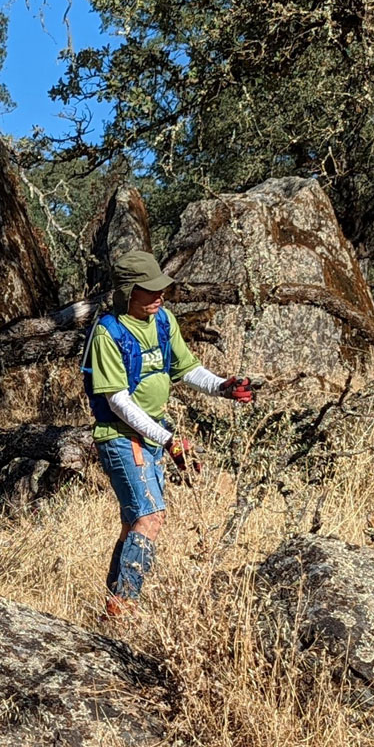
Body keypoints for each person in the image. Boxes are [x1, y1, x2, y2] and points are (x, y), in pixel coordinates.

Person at [82, 251, 253, 617]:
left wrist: (223, 387)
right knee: (150, 517)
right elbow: (118, 403)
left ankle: (112, 608)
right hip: (120, 435)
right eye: (149, 290)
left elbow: (188, 369)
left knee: (135, 522)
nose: (159, 296)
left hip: (153, 435)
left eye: (161, 288)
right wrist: (168, 439)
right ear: (128, 292)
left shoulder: (163, 320)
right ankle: (124, 606)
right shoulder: (108, 333)